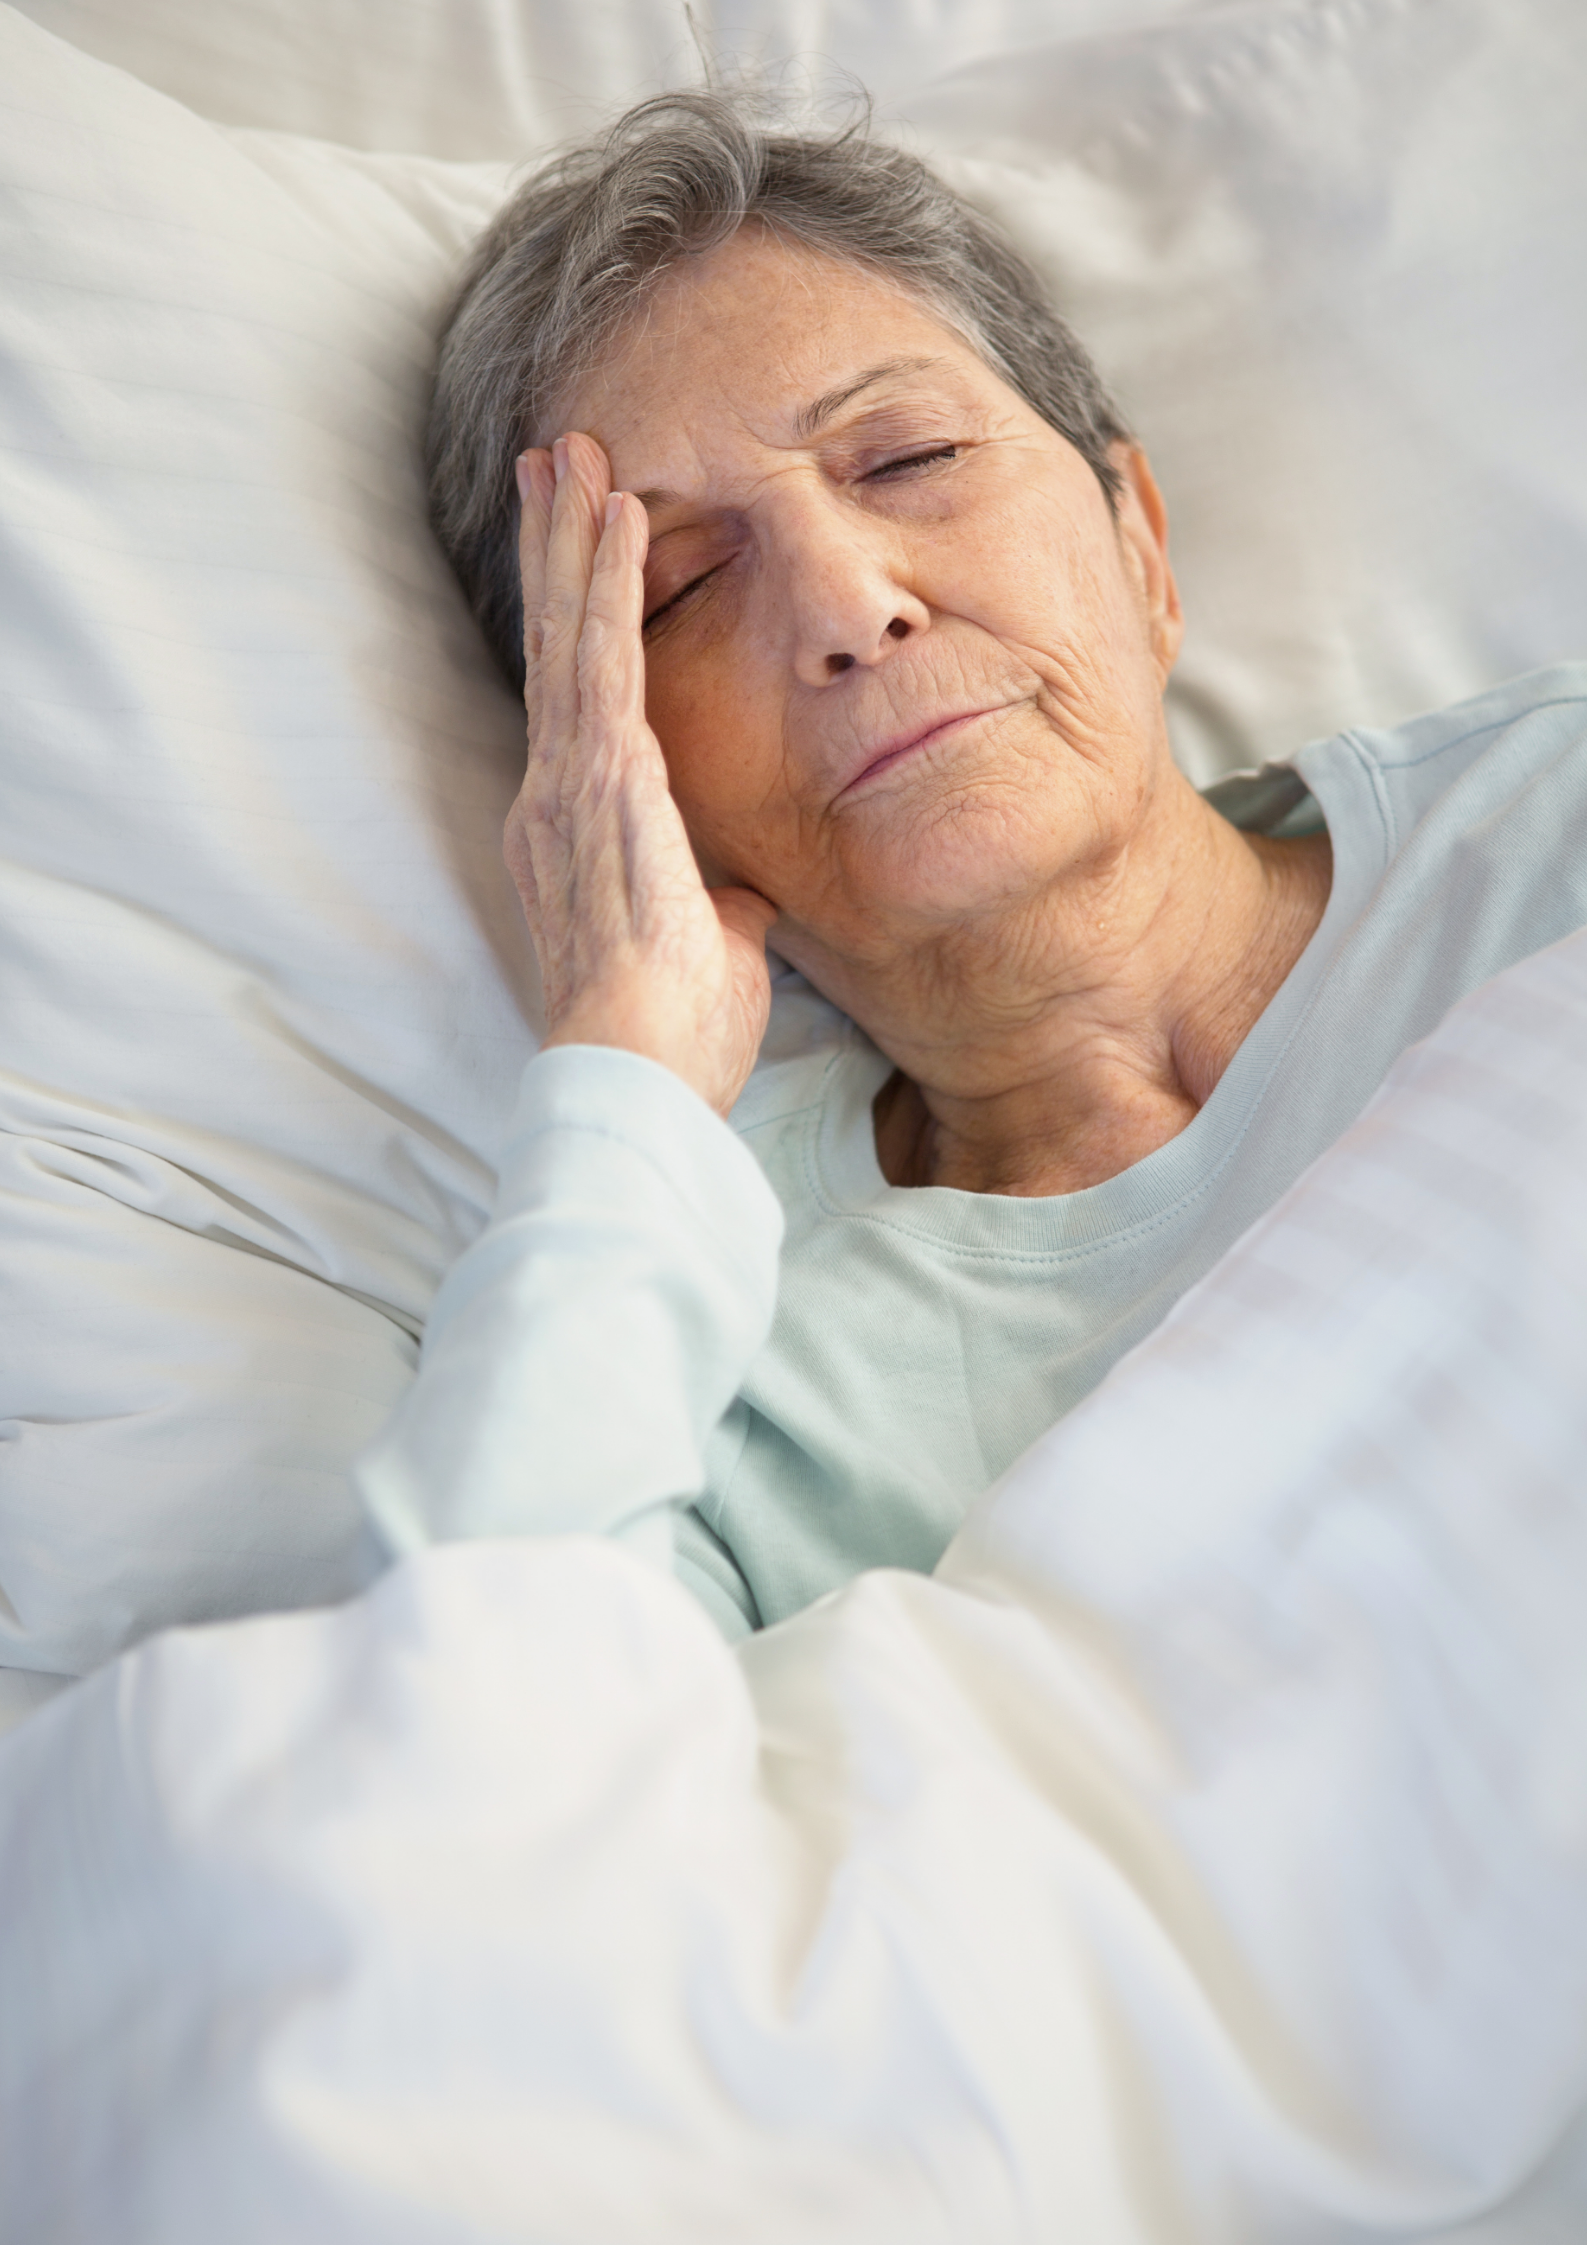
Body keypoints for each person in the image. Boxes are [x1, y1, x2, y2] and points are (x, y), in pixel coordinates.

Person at [371, 90, 1587, 1638]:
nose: (846, 603)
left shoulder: (1552, 823)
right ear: (615, 772)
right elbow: (478, 1721)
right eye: (677, 588)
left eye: (907, 456)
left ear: (1138, 545)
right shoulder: (707, 1350)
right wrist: (626, 1067)